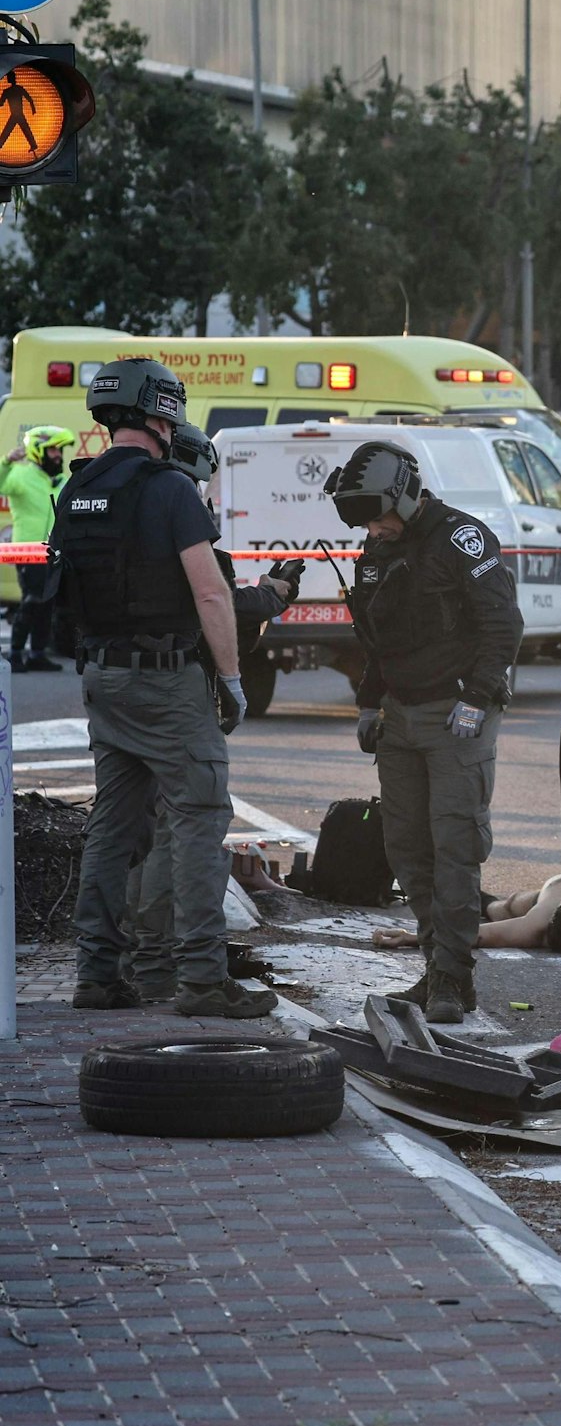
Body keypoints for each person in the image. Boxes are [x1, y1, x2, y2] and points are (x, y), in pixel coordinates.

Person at [50, 359, 263, 1016]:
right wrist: (229, 677)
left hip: (102, 677)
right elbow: (210, 591)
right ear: (157, 413)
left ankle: (96, 976)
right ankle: (202, 981)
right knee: (200, 818)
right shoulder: (170, 489)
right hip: (166, 681)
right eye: (169, 413)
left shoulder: (78, 488)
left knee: (111, 830)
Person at [327, 441, 523, 1024]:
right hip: (399, 715)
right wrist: (369, 704)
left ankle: (452, 978)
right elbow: (375, 637)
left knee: (455, 847)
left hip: (456, 716)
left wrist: (478, 696)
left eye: (377, 516)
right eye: (363, 520)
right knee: (407, 849)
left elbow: (502, 624)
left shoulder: (461, 539)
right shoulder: (377, 547)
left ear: (405, 498)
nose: (372, 529)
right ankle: (435, 961)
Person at [122, 424, 303, 1003]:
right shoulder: (177, 510)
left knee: (145, 831)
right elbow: (214, 599)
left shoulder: (126, 510)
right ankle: (195, 973)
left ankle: (142, 965)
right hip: (179, 692)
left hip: (122, 690)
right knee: (190, 824)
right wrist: (271, 598)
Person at [2, 424, 70, 671]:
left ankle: (37, 654)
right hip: (27, 550)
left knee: (47, 604)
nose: (58, 456)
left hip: (53, 551)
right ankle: (16, 653)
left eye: (60, 451)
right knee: (32, 600)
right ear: (38, 451)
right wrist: (6, 462)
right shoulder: (21, 475)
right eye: (53, 450)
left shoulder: (60, 481)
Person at [370, 874, 561, 953]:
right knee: (505, 910)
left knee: (516, 923)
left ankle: (485, 901)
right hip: (560, 889)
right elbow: (481, 935)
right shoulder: (541, 919)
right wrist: (413, 937)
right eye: (544, 938)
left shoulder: (539, 928)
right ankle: (485, 901)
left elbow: (480, 937)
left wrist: (411, 938)